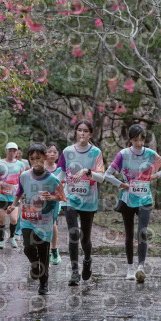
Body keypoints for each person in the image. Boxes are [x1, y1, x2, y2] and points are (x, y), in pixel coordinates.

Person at [104, 124, 161, 283]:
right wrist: (121, 184)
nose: (139, 143)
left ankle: (140, 267)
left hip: (145, 199)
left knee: (142, 232)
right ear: (130, 140)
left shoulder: (150, 154)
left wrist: (155, 176)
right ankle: (130, 268)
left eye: (141, 140)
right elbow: (107, 175)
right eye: (135, 140)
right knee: (129, 234)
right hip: (128, 199)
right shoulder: (123, 155)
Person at [7, 143, 65, 295]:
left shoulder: (52, 179)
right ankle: (34, 265)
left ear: (45, 158)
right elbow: (20, 191)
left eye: (38, 158)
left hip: (45, 220)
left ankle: (44, 283)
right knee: (28, 248)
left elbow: (61, 196)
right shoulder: (25, 176)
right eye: (32, 159)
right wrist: (13, 205)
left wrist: (51, 196)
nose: (35, 162)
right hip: (28, 218)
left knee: (43, 251)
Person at [57, 120, 105, 286]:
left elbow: (101, 177)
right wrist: (50, 186)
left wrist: (87, 171)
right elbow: (61, 173)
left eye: (85, 131)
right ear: (76, 132)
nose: (82, 133)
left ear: (90, 134)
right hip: (70, 198)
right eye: (79, 130)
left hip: (89, 200)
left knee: (85, 238)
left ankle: (87, 260)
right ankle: (74, 271)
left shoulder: (96, 152)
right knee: (73, 234)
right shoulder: (67, 151)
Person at [0, 142, 24, 249]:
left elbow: (22, 180)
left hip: (14, 197)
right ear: (6, 151)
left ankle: (11, 237)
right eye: (10, 150)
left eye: (14, 151)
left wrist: (22, 193)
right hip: (1, 196)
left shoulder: (20, 165)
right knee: (2, 219)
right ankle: (1, 240)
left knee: (14, 219)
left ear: (17, 152)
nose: (12, 153)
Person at [45, 142, 65, 265]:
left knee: (52, 223)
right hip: (39, 201)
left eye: (55, 152)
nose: (52, 154)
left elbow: (62, 186)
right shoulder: (39, 167)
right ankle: (44, 250)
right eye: (49, 151)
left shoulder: (60, 169)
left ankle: (54, 250)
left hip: (54, 201)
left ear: (58, 155)